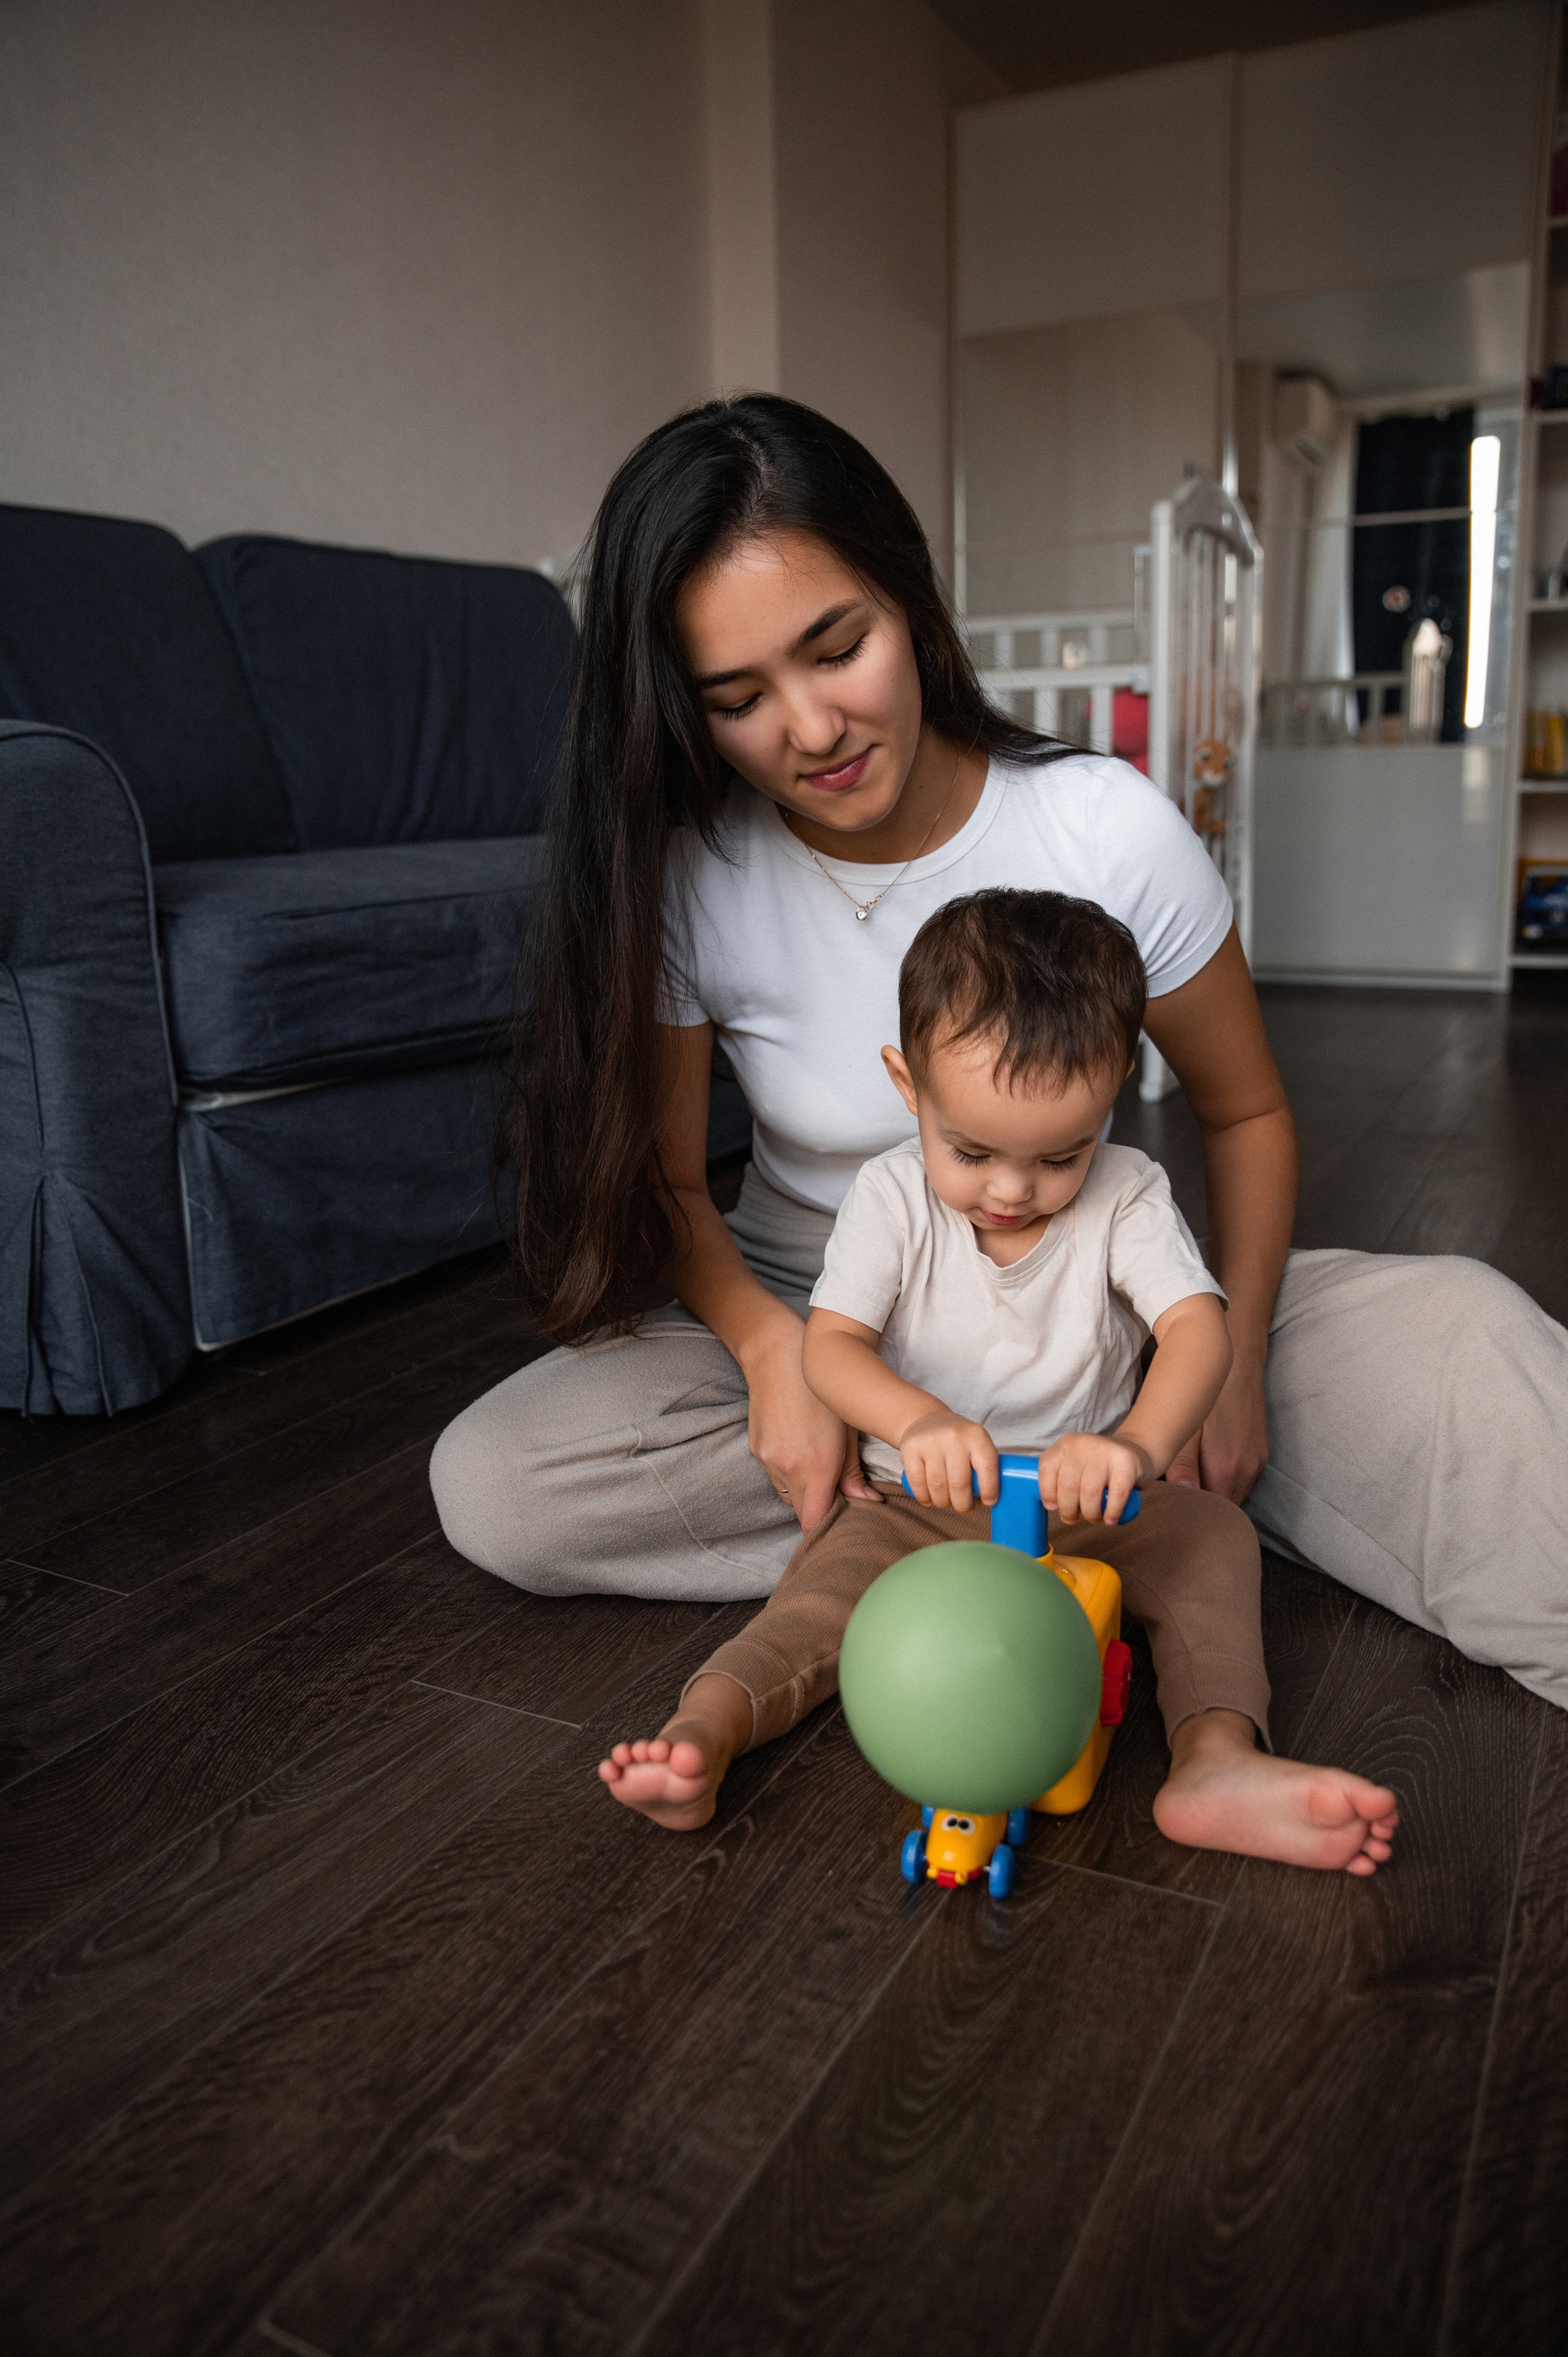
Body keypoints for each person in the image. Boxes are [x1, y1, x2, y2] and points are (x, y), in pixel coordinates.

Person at [429, 392, 1567, 1723]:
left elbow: (1246, 1111)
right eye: (738, 699)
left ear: (908, 599)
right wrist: (771, 1354)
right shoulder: (692, 876)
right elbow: (675, 1186)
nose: (810, 729)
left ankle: (1072, 1495)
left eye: (837, 649)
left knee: (1467, 1340)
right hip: (833, 1320)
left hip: (1106, 1316)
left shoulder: (1105, 827)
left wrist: (1237, 1358)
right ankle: (1118, 1531)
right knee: (503, 1479)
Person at [598, 888, 1400, 1874]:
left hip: (1087, 1505)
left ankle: (1217, 1759)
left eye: (1061, 1156)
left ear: (1113, 1092)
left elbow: (1197, 1328)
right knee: (812, 1603)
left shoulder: (1130, 1193)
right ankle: (704, 1734)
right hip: (916, 1506)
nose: (1013, 1191)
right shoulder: (890, 1196)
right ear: (908, 1086)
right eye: (971, 1152)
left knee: (1215, 1543)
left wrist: (1137, 1447)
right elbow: (832, 1347)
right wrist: (917, 1423)